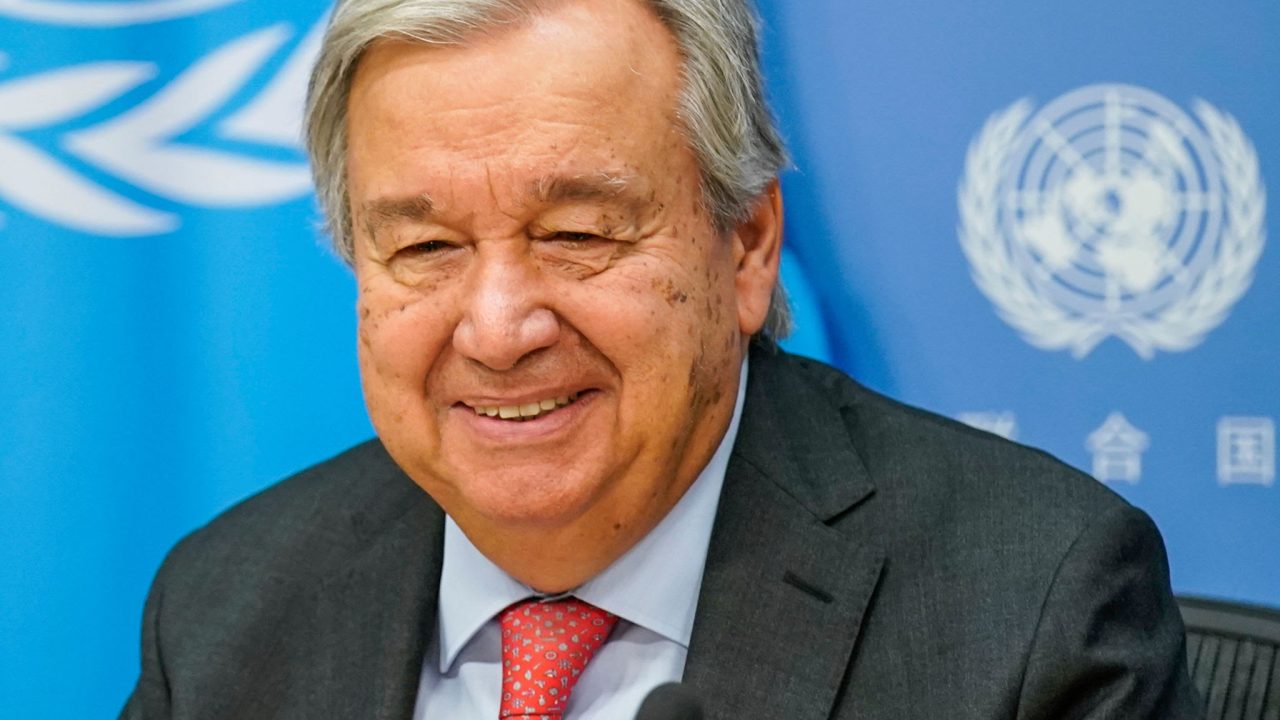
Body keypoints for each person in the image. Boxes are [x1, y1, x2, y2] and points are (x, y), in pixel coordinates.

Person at [121, 0, 1202, 718]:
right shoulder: (225, 612)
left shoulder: (1032, 612)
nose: (497, 330)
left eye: (578, 235)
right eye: (424, 248)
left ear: (745, 246)